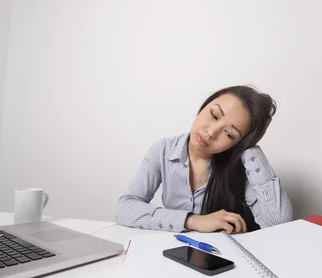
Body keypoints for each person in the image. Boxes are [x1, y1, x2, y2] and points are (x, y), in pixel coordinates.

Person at [116, 85, 293, 234]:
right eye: (214, 115)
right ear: (204, 106)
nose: (211, 132)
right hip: (173, 254)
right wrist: (192, 221)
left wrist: (251, 143)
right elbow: (125, 209)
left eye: (229, 134)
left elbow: (278, 224)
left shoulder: (240, 166)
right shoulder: (163, 151)